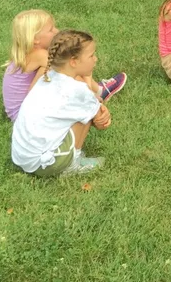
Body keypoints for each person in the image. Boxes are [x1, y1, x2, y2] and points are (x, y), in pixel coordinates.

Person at [11, 30, 112, 178]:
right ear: (73, 61)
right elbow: (100, 119)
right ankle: (72, 165)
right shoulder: (77, 90)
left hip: (23, 158)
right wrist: (103, 116)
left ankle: (66, 156)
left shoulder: (47, 76)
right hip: (44, 164)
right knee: (86, 113)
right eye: (91, 55)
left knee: (86, 107)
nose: (95, 59)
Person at [2, 9, 124, 121]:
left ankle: (96, 90)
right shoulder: (40, 55)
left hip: (20, 113)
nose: (57, 31)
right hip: (26, 115)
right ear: (35, 39)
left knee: (60, 68)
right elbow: (68, 71)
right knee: (67, 68)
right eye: (51, 29)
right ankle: (94, 94)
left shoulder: (26, 54)